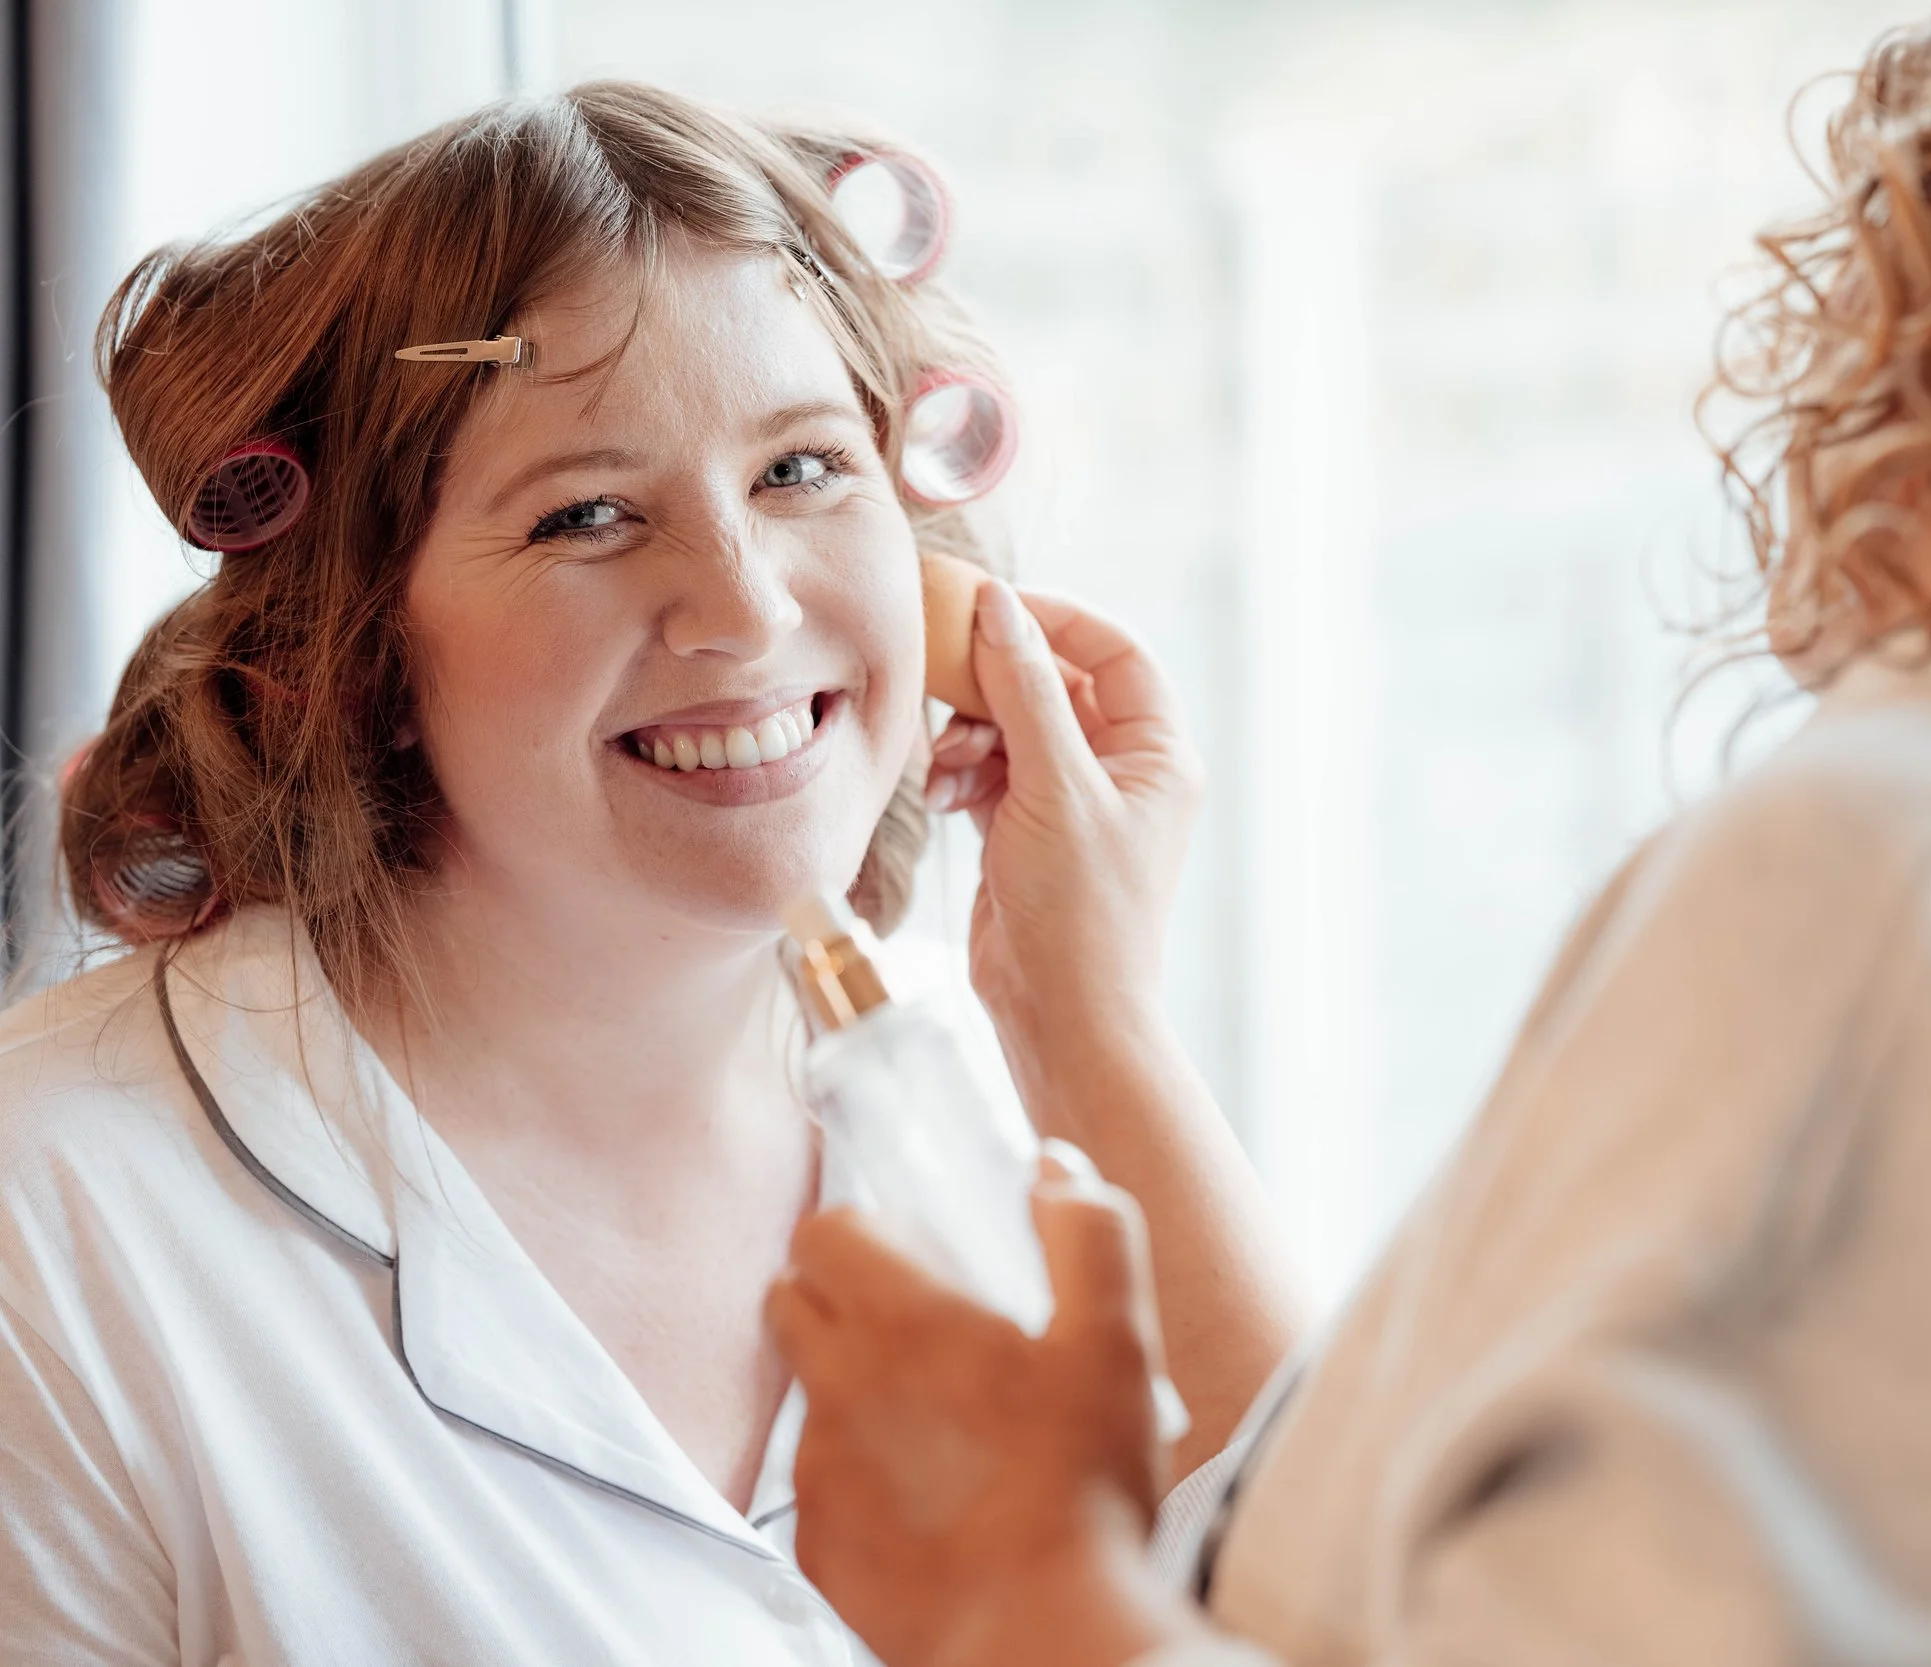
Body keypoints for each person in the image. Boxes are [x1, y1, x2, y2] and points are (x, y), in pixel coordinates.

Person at [768, 1, 1931, 1662]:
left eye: (800, 471)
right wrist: (1088, 1021)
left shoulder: (1914, 876)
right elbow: (1407, 1572)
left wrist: (1021, 1594)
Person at [0, 83, 1296, 1662]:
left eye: (804, 470)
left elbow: (1368, 1609)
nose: (742, 611)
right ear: (362, 646)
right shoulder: (52, 1204)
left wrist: (1092, 1020)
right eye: (588, 514)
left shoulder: (1007, 1121)